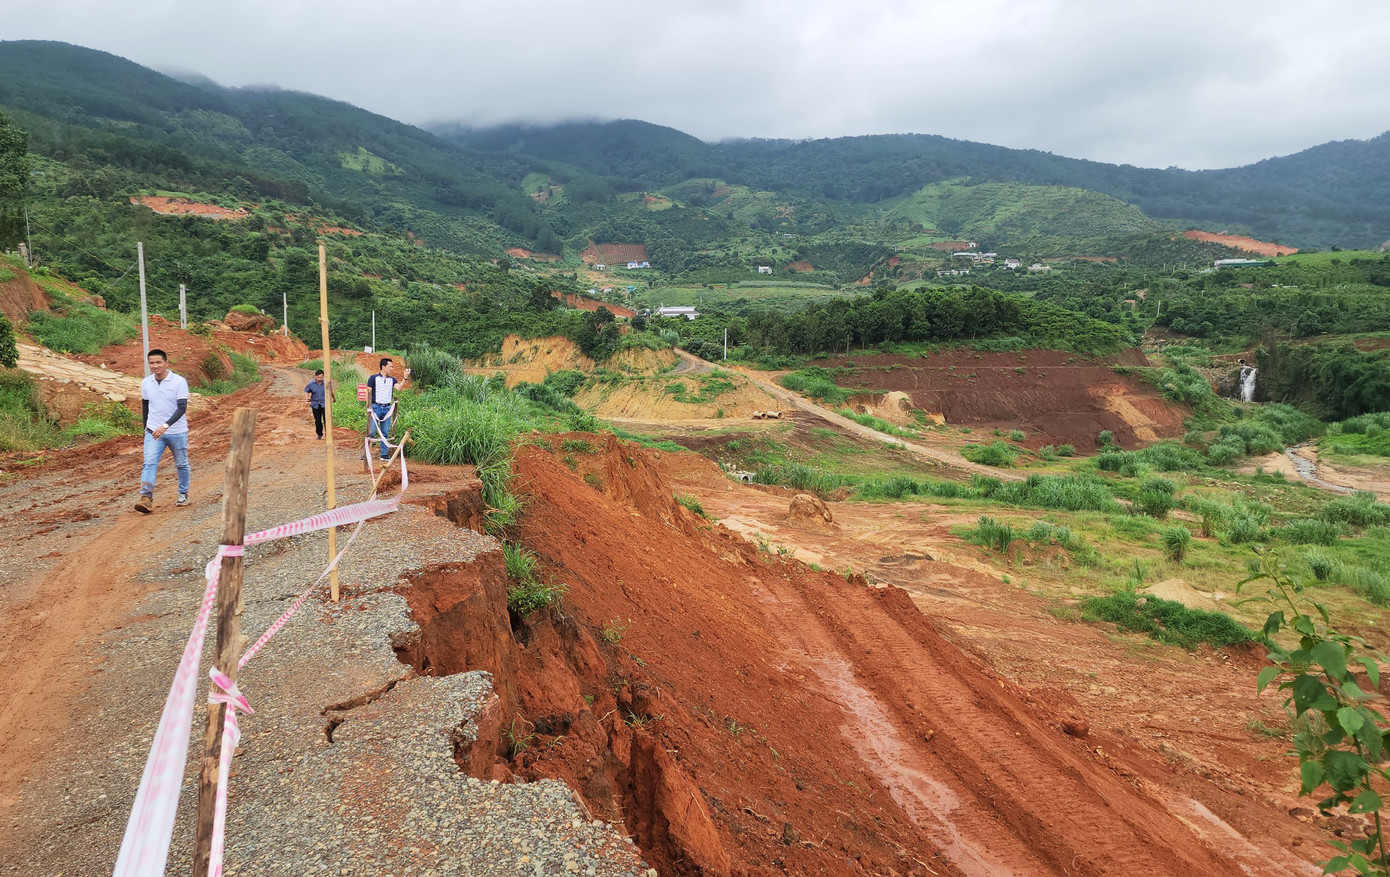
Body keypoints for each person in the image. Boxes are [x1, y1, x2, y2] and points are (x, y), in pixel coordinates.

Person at [135, 349, 190, 513]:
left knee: (181, 463)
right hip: (153, 432)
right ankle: (146, 498)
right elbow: (145, 405)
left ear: (166, 363)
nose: (155, 366)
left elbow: (182, 408)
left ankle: (183, 493)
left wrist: (165, 426)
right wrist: (146, 426)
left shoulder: (179, 382)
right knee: (149, 463)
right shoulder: (146, 383)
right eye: (152, 363)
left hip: (177, 431)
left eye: (158, 362)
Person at [365, 356, 397, 461]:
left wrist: (405, 378)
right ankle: (366, 452)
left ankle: (384, 454)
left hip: (387, 408)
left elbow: (399, 388)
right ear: (383, 367)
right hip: (375, 407)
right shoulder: (373, 378)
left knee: (384, 432)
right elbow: (368, 391)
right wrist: (368, 404)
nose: (392, 368)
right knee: (372, 431)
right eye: (390, 366)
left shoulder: (392, 380)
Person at [304, 368, 336, 439]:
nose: (319, 379)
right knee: (318, 420)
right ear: (315, 376)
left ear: (323, 376)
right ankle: (319, 434)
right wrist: (307, 398)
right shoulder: (311, 384)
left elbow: (331, 392)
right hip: (315, 405)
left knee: (326, 420)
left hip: (325, 404)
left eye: (321, 377)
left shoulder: (326, 383)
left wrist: (334, 399)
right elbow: (306, 391)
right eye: (318, 377)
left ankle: (328, 435)